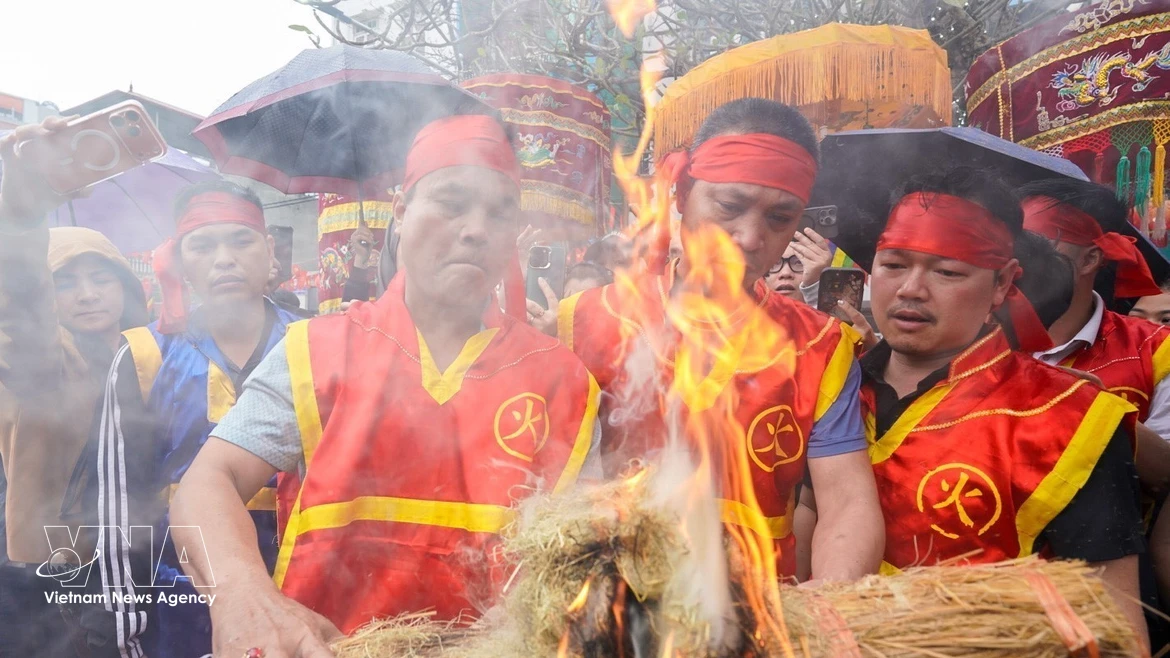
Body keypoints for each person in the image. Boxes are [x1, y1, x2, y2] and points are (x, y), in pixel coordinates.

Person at [167, 113, 600, 658]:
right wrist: (241, 595)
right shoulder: (318, 350)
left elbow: (581, 559)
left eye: (500, 212)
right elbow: (207, 482)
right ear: (401, 209)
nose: (475, 229)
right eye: (451, 201)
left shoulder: (563, 379)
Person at [540, 98, 883, 582]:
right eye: (730, 206)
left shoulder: (820, 349)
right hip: (609, 612)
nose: (748, 237)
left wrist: (831, 609)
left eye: (779, 219)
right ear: (680, 196)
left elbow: (846, 501)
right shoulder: (584, 322)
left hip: (757, 617)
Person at [862, 168, 1148, 645]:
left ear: (1002, 285)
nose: (911, 288)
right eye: (893, 264)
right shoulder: (827, 383)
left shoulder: (1066, 417)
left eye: (948, 271)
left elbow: (1113, 617)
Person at [71, 179, 301, 658]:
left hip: (306, 580)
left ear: (270, 251)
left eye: (241, 240)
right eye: (203, 245)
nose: (224, 259)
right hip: (184, 594)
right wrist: (126, 628)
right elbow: (118, 506)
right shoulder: (144, 356)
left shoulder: (320, 345)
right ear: (179, 262)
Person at [0, 118, 149, 657]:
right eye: (65, 281)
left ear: (125, 286)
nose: (88, 295)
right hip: (57, 575)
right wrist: (21, 204)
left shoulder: (146, 355)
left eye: (101, 278)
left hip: (142, 563)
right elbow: (20, 299)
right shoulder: (42, 358)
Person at [1020, 179, 1170, 437]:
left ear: (1090, 259)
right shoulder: (973, 338)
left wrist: (1095, 412)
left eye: (1037, 246)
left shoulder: (1157, 350)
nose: (1018, 259)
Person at [765, 228, 832, 305]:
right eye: (774, 263)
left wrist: (815, 293)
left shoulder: (841, 315)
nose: (785, 273)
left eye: (799, 262)